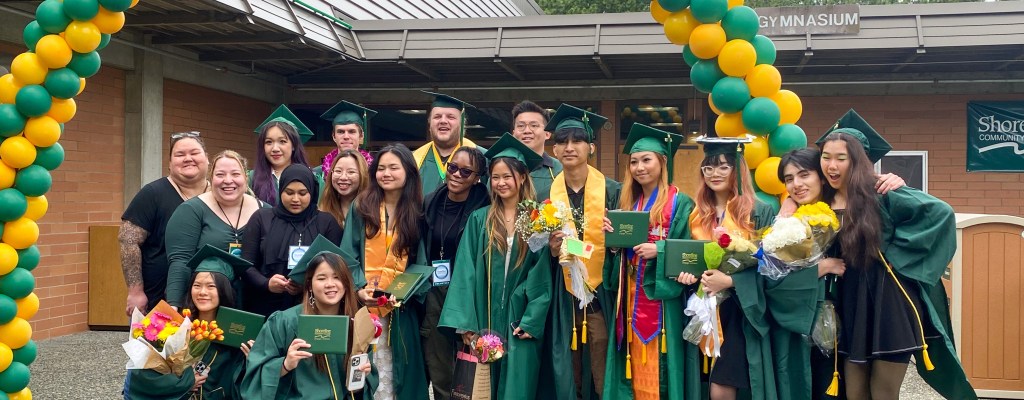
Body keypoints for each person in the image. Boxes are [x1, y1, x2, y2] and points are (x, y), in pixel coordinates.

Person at [814, 110, 975, 400]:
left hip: (888, 299)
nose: (832, 165)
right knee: (854, 390)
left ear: (858, 160)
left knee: (884, 391)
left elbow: (940, 215)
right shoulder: (820, 199)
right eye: (826, 156)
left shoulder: (882, 192)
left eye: (841, 157)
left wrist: (893, 257)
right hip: (849, 301)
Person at [439, 133, 553, 400]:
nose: (500, 183)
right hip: (484, 319)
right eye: (496, 177)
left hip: (519, 319)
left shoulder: (537, 219)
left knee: (518, 386)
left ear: (522, 177)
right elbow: (465, 271)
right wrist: (466, 325)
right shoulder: (480, 220)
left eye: (507, 176)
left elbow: (541, 273)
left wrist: (532, 319)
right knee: (482, 389)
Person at [685, 136, 783, 400]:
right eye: (708, 167)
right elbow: (688, 258)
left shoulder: (759, 212)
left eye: (723, 166)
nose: (714, 173)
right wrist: (686, 274)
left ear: (737, 170)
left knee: (722, 384)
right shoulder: (695, 214)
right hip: (703, 308)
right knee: (707, 381)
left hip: (741, 310)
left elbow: (772, 265)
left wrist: (731, 282)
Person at [603, 124, 697, 400]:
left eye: (646, 160)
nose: (639, 167)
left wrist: (660, 249)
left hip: (662, 296)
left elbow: (689, 250)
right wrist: (611, 244)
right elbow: (618, 254)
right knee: (629, 358)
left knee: (662, 360)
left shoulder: (681, 203)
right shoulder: (627, 202)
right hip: (629, 292)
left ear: (662, 162)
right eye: (634, 161)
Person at [538, 104, 620, 400]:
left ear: (591, 148)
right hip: (563, 289)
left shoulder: (614, 191)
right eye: (562, 141)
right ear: (555, 149)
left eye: (577, 141)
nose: (569, 147)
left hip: (603, 289)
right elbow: (534, 247)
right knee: (566, 360)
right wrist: (549, 247)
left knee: (602, 354)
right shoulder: (544, 195)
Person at [341, 144, 430, 400]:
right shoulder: (362, 206)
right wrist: (359, 288)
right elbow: (348, 253)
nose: (386, 173)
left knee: (398, 373)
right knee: (364, 369)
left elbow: (420, 261)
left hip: (399, 310)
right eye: (381, 168)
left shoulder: (417, 212)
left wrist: (404, 292)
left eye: (394, 167)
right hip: (363, 306)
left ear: (408, 172)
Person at [241, 235, 368, 400]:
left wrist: (361, 374)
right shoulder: (284, 322)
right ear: (309, 285)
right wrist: (285, 365)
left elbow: (363, 385)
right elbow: (255, 375)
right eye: (321, 278)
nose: (330, 284)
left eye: (337, 277)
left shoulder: (356, 322)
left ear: (346, 283)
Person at [124, 245, 252, 400]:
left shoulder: (233, 335)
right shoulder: (167, 322)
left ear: (224, 291)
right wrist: (185, 383)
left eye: (211, 286)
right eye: (197, 285)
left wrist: (251, 361)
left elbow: (239, 384)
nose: (202, 292)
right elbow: (139, 374)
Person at [415, 146, 489, 400]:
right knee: (439, 366)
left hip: (469, 291)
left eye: (466, 171)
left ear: (477, 177)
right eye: (452, 167)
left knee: (472, 365)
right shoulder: (431, 202)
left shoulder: (484, 210)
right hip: (436, 290)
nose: (456, 174)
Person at [120, 131, 209, 316]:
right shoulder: (152, 194)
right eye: (179, 154)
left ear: (207, 159)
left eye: (194, 153)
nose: (188, 159)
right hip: (158, 300)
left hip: (209, 300)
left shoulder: (221, 195)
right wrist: (135, 291)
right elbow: (128, 240)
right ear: (169, 163)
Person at [165, 150, 263, 308]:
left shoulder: (264, 211)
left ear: (246, 177)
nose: (228, 180)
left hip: (253, 303)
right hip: (206, 305)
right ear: (210, 178)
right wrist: (174, 305)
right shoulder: (191, 210)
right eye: (220, 174)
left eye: (235, 174)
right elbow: (180, 262)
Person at [241, 165, 342, 316]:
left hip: (311, 307)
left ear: (312, 192)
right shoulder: (261, 218)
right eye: (289, 193)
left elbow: (337, 269)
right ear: (281, 191)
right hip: (264, 305)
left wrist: (306, 286)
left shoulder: (326, 222)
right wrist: (267, 283)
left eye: (302, 193)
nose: (295, 199)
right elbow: (245, 265)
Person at [412, 91, 484, 195]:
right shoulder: (413, 160)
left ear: (462, 123)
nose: (443, 121)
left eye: (451, 117)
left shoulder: (483, 158)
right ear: (429, 123)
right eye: (437, 117)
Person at [250, 105, 316, 206]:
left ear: (294, 145)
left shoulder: (312, 178)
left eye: (282, 141)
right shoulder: (251, 179)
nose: (275, 148)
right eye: (269, 142)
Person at [511, 100, 562, 199]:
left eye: (534, 125)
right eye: (521, 126)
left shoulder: (560, 170)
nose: (527, 131)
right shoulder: (500, 167)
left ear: (547, 134)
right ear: (513, 133)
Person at [315, 100, 377, 182]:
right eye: (341, 132)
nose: (346, 137)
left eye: (351, 131)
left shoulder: (374, 171)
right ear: (333, 136)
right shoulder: (318, 174)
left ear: (361, 135)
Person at [319, 149, 369, 230]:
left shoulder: (372, 211)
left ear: (362, 175)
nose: (343, 177)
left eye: (351, 172)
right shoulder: (322, 210)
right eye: (338, 171)